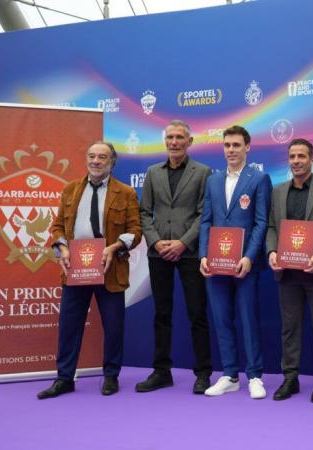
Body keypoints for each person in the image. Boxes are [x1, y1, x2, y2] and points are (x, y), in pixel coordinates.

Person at [37, 142, 141, 399]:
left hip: (110, 267)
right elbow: (58, 225)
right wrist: (61, 248)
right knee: (69, 326)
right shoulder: (71, 189)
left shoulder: (125, 192)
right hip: (76, 269)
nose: (96, 161)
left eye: (102, 157)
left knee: (113, 326)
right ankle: (64, 378)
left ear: (111, 162)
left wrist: (114, 246)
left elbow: (135, 231)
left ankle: (111, 376)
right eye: (92, 156)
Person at [135, 120, 213, 394]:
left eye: (180, 137)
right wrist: (156, 243)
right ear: (165, 141)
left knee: (197, 314)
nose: (174, 142)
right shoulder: (153, 172)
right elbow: (144, 212)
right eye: (170, 137)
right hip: (159, 254)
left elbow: (205, 214)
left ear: (189, 142)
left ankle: (203, 373)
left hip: (189, 252)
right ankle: (161, 372)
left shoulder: (202, 172)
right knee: (161, 313)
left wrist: (182, 242)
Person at [199, 125, 272, 399]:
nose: (231, 150)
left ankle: (254, 375)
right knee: (221, 319)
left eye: (236, 145)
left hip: (243, 265)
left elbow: (261, 222)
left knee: (248, 319)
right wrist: (204, 255)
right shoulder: (213, 180)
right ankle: (229, 374)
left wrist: (249, 257)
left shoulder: (259, 178)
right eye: (227, 145)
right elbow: (206, 220)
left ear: (247, 147)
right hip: (216, 264)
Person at [266, 138, 313, 403]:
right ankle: (290, 378)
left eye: (301, 156)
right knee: (289, 329)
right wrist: (272, 251)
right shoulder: (277, 192)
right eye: (292, 156)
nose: (296, 161)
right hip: (287, 273)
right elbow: (272, 227)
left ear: (312, 159)